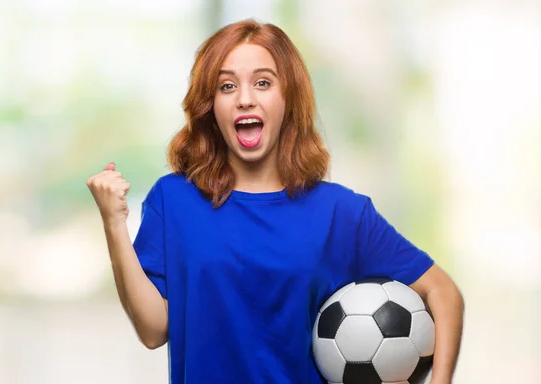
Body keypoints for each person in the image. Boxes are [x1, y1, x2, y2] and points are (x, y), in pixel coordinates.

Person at [86, 19, 464, 384]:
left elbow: (443, 293)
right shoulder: (174, 200)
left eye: (263, 83)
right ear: (210, 105)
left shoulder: (341, 212)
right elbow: (153, 330)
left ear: (288, 99)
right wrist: (114, 223)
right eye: (227, 86)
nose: (245, 99)